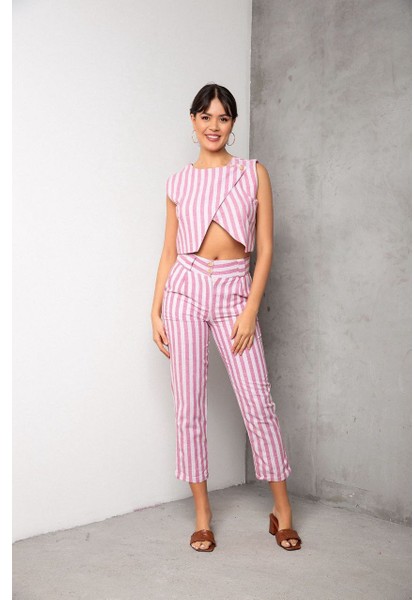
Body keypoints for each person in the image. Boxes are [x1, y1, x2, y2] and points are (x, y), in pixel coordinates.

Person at [151, 83, 302, 552]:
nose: (213, 126)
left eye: (222, 117)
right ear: (193, 120)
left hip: (236, 289)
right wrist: (155, 308)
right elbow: (169, 251)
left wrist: (251, 307)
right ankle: (203, 514)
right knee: (188, 406)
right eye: (205, 117)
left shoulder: (252, 173)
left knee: (258, 403)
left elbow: (266, 247)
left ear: (233, 124)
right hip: (184, 291)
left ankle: (282, 511)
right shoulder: (178, 182)